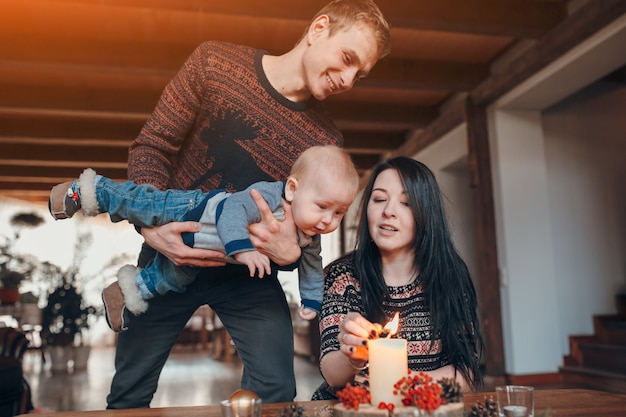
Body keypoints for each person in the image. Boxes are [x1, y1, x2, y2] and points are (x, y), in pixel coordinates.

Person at [101, 0, 391, 407]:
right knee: (129, 389)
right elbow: (152, 147)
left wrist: (290, 255)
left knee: (276, 390)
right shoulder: (213, 63)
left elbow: (302, 234)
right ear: (319, 28)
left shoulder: (326, 142)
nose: (347, 79)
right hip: (172, 254)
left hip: (250, 275)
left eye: (358, 74)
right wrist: (152, 230)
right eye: (347, 59)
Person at [48, 145, 359, 331]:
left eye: (339, 213)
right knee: (144, 204)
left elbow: (312, 269)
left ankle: (123, 293)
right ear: (293, 188)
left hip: (206, 254)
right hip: (194, 212)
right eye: (322, 207)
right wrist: (244, 251)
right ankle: (88, 191)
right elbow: (233, 213)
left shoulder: (310, 236)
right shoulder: (272, 196)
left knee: (172, 279)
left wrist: (312, 300)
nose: (327, 220)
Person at [312, 157, 484, 400]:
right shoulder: (342, 276)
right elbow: (332, 374)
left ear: (426, 214)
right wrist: (354, 355)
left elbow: (466, 372)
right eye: (379, 199)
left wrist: (409, 384)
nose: (388, 211)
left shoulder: (450, 275)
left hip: (421, 408)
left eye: (406, 203)